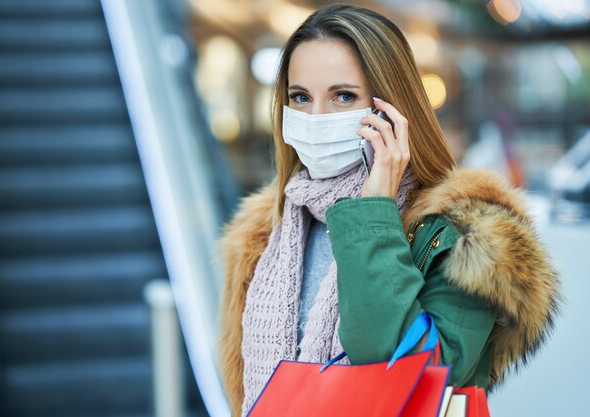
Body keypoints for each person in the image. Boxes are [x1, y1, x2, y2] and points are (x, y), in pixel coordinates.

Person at [218, 4, 560, 417]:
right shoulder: (265, 232)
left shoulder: (462, 234)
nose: (316, 117)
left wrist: (373, 210)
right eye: (300, 97)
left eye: (343, 96)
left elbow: (410, 371)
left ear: (392, 109)